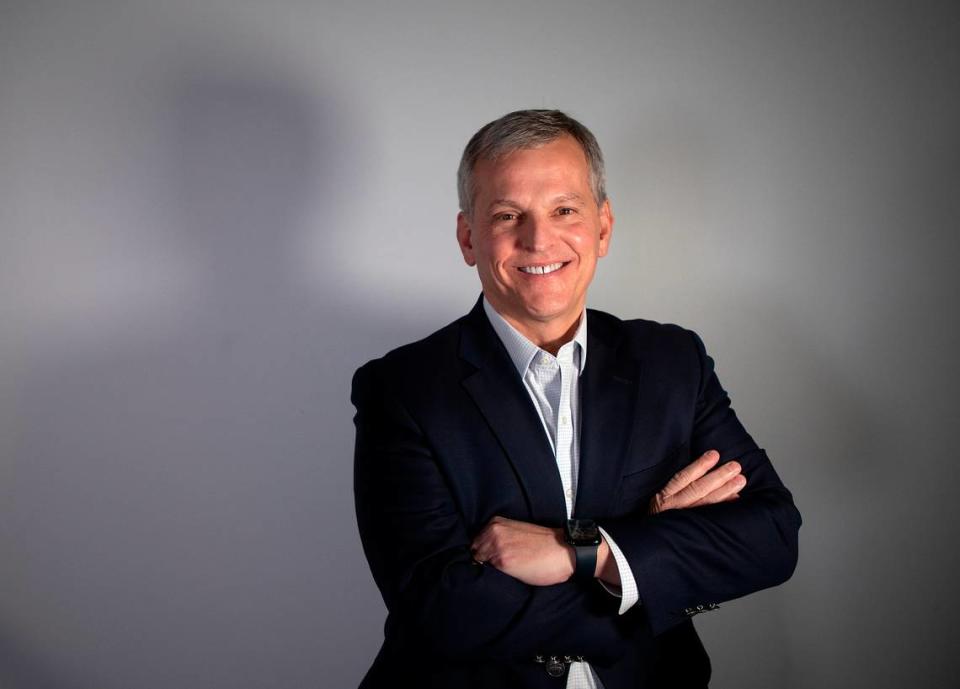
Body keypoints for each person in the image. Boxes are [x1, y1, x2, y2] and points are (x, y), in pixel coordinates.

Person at [352, 109, 800, 689]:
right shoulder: (402, 389)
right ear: (468, 237)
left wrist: (584, 552)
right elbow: (445, 612)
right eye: (508, 215)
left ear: (603, 228)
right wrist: (651, 558)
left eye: (565, 210)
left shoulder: (672, 363)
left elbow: (771, 538)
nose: (539, 239)